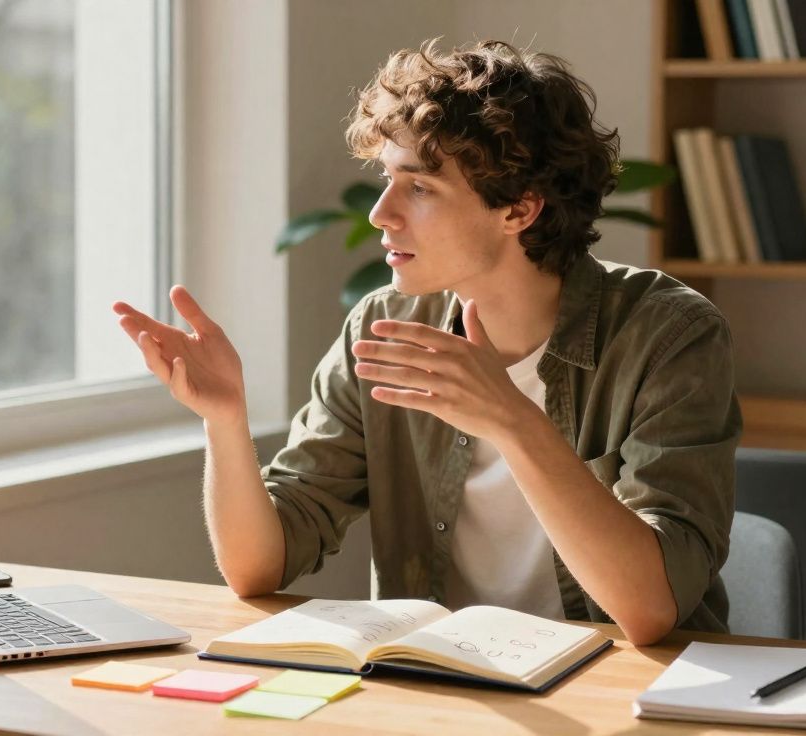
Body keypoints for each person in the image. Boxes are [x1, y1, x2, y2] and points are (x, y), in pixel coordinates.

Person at [113, 40, 740, 646]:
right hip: (443, 686)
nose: (380, 213)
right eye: (387, 179)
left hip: (616, 689)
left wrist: (513, 420)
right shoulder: (382, 326)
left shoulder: (668, 335)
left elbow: (649, 610)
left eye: (419, 188)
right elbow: (258, 568)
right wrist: (226, 421)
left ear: (519, 210)